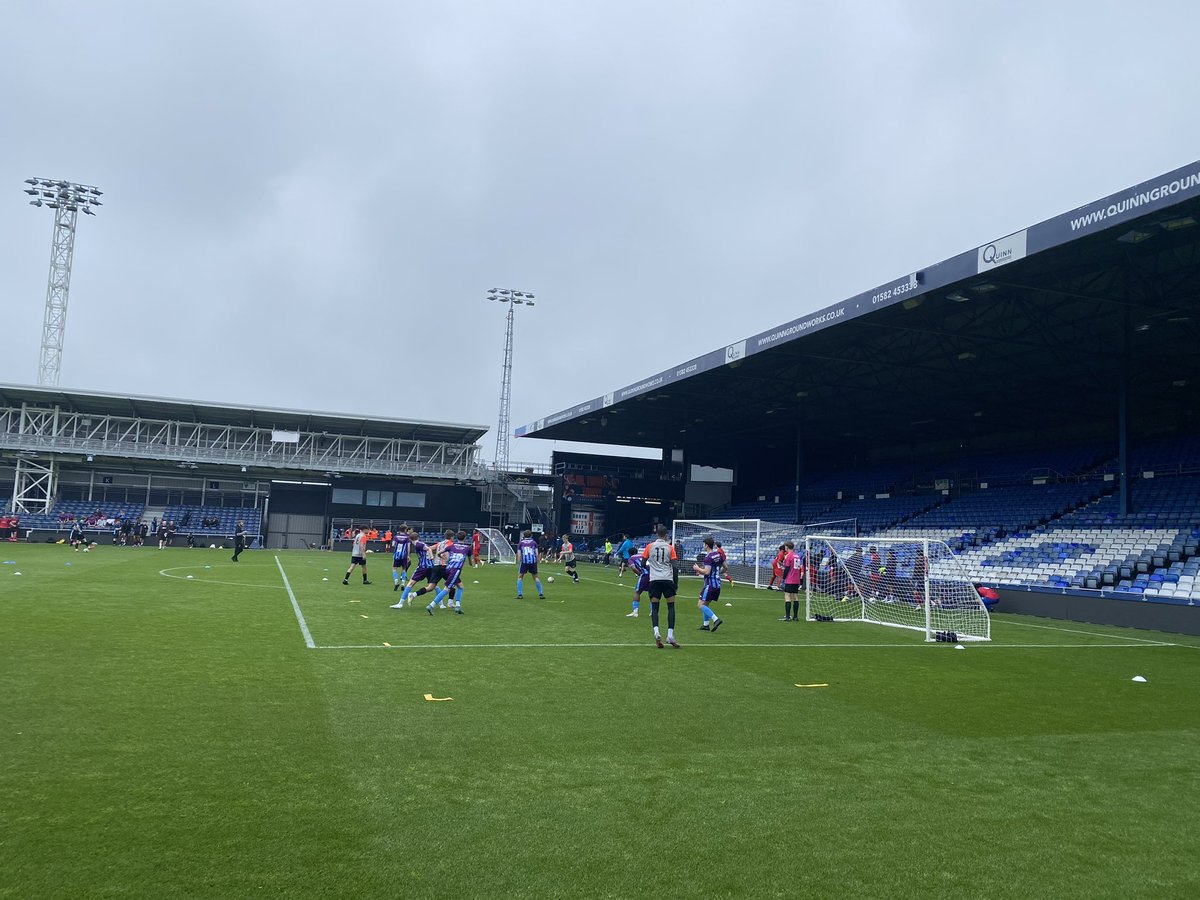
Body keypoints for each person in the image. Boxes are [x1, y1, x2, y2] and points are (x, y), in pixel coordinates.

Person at [641, 526, 680, 648]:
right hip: (667, 579)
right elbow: (674, 566)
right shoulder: (670, 548)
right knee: (671, 607)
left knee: (655, 607)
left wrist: (651, 568)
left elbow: (642, 563)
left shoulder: (649, 546)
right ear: (666, 535)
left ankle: (656, 632)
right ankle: (670, 635)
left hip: (654, 580)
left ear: (656, 534)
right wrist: (675, 583)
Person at [422, 530, 470, 615]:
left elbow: (439, 553)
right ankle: (431, 605)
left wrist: (444, 558)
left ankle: (458, 606)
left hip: (448, 568)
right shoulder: (467, 548)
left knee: (460, 586)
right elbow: (470, 560)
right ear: (465, 538)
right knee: (447, 589)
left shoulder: (452, 545)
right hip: (455, 570)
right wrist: (470, 562)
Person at [693, 536, 725, 632]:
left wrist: (697, 568)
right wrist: (717, 574)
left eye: (704, 544)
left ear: (706, 545)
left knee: (700, 604)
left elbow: (707, 572)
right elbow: (726, 567)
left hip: (710, 584)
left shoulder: (708, 557)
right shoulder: (718, 555)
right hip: (717, 584)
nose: (703, 546)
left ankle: (716, 619)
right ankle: (706, 625)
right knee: (706, 604)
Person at [398, 531, 432, 605]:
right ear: (418, 537)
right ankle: (441, 604)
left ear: (410, 539)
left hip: (422, 567)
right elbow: (429, 548)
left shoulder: (418, 544)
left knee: (410, 583)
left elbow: (428, 549)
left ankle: (400, 603)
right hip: (430, 567)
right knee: (433, 586)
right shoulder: (422, 544)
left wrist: (431, 556)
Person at [516, 530, 545, 599]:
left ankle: (520, 594)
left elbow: (519, 554)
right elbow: (537, 553)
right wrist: (537, 561)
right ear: (531, 535)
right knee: (535, 577)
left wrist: (519, 561)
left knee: (520, 577)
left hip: (524, 561)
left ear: (524, 535)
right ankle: (541, 593)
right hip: (533, 561)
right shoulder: (534, 543)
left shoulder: (521, 543)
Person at [780, 540, 802, 621]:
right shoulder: (797, 556)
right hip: (796, 579)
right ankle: (795, 616)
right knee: (795, 596)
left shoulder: (789, 556)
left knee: (787, 596)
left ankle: (787, 616)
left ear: (787, 547)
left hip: (790, 579)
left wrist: (784, 577)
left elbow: (787, 568)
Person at [388, 524, 413, 599]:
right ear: (405, 530)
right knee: (404, 569)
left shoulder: (396, 537)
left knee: (394, 568)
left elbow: (393, 545)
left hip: (397, 555)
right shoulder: (407, 538)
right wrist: (408, 555)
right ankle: (403, 584)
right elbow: (408, 547)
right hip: (404, 555)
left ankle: (396, 582)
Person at [625, 548, 648, 617]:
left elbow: (634, 568)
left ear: (629, 553)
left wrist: (639, 573)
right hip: (653, 574)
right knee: (652, 592)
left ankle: (635, 612)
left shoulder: (631, 559)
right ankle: (653, 612)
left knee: (637, 592)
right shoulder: (642, 555)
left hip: (645, 574)